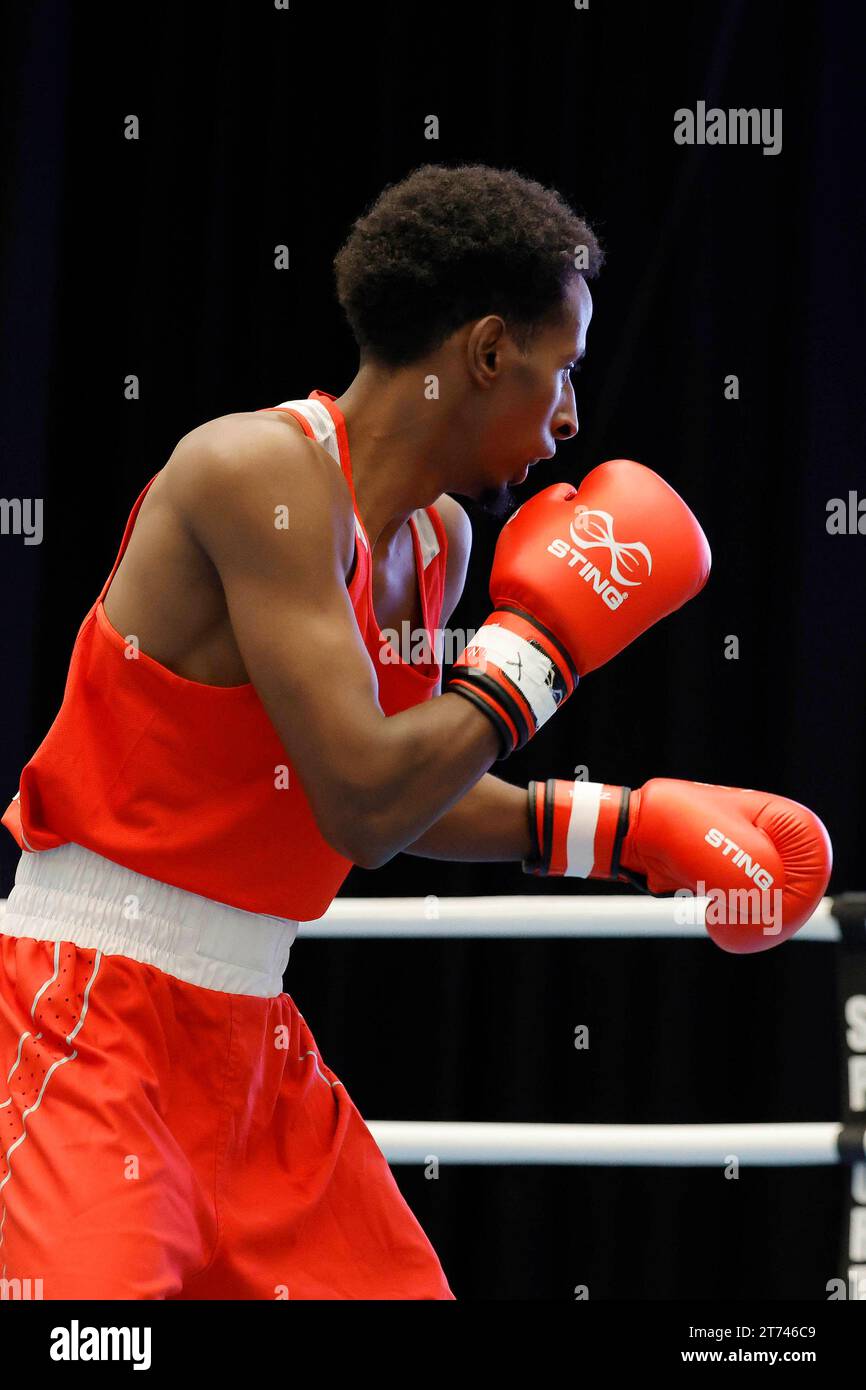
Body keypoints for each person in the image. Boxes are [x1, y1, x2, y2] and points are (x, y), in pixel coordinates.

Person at [0, 164, 830, 1301]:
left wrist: (617, 826)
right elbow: (362, 800)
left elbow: (393, 778)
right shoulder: (255, 475)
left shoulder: (436, 545)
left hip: (248, 1035)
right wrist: (542, 652)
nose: (572, 416)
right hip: (90, 1006)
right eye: (565, 367)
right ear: (489, 350)